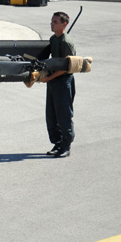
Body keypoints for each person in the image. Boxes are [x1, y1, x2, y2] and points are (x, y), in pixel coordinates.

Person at [39, 11, 77, 157]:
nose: (52, 24)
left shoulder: (66, 42)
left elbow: (67, 67)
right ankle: (58, 143)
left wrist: (49, 78)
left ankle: (66, 146)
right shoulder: (53, 39)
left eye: (55, 22)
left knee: (63, 115)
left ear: (64, 24)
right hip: (53, 81)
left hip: (63, 81)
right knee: (51, 116)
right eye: (52, 21)